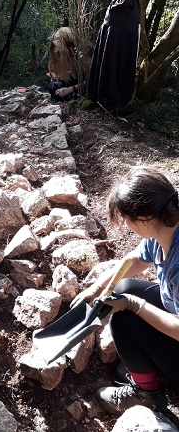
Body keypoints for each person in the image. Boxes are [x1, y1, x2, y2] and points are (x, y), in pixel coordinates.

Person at [72, 166, 179, 415]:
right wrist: (98, 287)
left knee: (124, 321)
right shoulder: (165, 227)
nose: (127, 226)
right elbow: (136, 260)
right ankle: (146, 363)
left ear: (143, 219)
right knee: (124, 287)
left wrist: (133, 304)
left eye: (127, 219)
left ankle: (147, 395)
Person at [47, 27, 79, 102]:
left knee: (57, 87)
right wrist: (61, 75)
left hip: (83, 89)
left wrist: (72, 89)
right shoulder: (72, 55)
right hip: (75, 83)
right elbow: (78, 72)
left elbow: (91, 80)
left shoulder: (82, 54)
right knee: (54, 83)